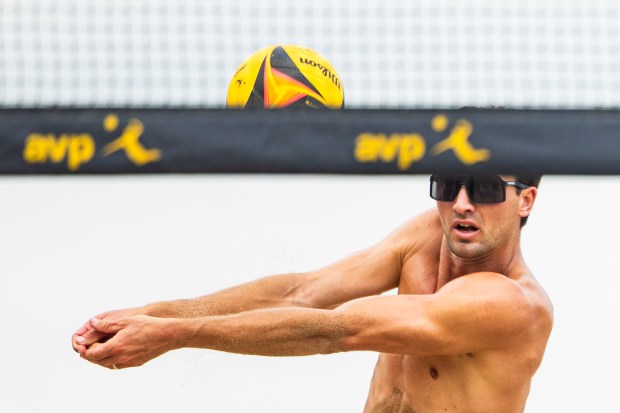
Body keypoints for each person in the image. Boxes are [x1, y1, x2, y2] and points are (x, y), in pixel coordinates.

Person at [72, 174, 552, 413]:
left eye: (487, 189)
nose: (462, 203)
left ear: (525, 199)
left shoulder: (511, 305)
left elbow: (337, 329)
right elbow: (303, 292)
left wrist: (171, 335)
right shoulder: (427, 235)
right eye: (447, 184)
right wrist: (153, 313)